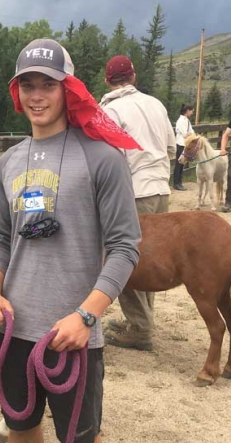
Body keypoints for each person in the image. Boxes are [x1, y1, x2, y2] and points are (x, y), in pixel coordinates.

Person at [0, 38, 142, 443]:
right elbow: (0, 235)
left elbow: (125, 246)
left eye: (48, 85)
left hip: (73, 333)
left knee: (81, 441)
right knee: (20, 429)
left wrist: (86, 317)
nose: (37, 96)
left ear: (67, 88)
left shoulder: (102, 158)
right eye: (28, 85)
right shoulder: (9, 161)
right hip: (14, 329)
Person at [98, 54, 176, 351]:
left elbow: (107, 156)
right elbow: (171, 146)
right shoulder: (155, 104)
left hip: (131, 191)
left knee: (122, 258)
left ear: (108, 81)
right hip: (160, 188)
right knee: (151, 259)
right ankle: (141, 321)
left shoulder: (110, 109)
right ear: (133, 77)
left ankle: (140, 329)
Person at [173, 104, 195, 190]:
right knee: (179, 163)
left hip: (185, 144)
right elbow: (185, 134)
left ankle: (179, 182)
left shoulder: (187, 121)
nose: (192, 113)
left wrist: (190, 134)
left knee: (182, 163)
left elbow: (191, 132)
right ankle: (176, 183)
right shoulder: (181, 121)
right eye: (191, 111)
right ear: (187, 111)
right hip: (181, 144)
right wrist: (188, 134)